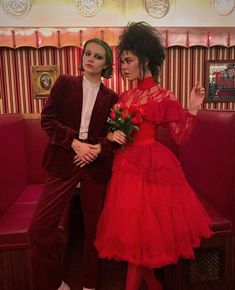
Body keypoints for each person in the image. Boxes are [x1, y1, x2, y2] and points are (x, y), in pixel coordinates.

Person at [94, 22, 213, 290]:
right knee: (137, 241)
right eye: (122, 61)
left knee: (139, 243)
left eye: (128, 60)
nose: (123, 66)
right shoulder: (125, 97)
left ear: (144, 60)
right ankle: (154, 286)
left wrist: (193, 108)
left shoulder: (163, 95)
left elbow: (181, 138)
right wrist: (114, 136)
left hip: (153, 170)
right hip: (126, 169)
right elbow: (114, 134)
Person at [28, 38, 119, 290]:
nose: (90, 58)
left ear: (106, 64)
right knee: (38, 230)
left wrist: (95, 149)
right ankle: (55, 284)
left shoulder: (112, 97)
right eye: (87, 53)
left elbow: (114, 138)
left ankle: (90, 284)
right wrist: (74, 143)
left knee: (94, 233)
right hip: (62, 163)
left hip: (94, 168)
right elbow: (47, 120)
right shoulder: (64, 84)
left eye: (98, 56)